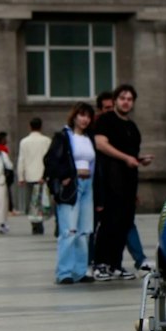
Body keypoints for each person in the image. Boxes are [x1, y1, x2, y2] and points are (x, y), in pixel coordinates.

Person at [89, 84, 151, 280]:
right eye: (122, 98)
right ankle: (100, 263)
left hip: (128, 183)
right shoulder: (106, 120)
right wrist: (125, 158)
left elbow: (131, 155)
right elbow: (101, 144)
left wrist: (140, 160)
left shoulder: (132, 127)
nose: (126, 102)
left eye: (129, 99)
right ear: (115, 100)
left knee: (124, 224)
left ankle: (115, 264)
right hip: (109, 180)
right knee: (108, 222)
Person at [45, 103, 98, 285]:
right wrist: (64, 176)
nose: (85, 119)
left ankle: (80, 271)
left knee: (84, 231)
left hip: (88, 185)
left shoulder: (90, 138)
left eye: (88, 116)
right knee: (69, 230)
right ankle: (64, 272)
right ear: (74, 116)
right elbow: (50, 160)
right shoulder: (63, 137)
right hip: (71, 186)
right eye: (81, 115)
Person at [16, 117, 52, 235]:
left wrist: (21, 176)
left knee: (32, 202)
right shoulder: (46, 141)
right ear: (41, 126)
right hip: (43, 175)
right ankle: (41, 220)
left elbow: (21, 159)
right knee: (43, 201)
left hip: (30, 175)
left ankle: (35, 223)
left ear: (30, 127)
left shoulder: (24, 142)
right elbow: (50, 159)